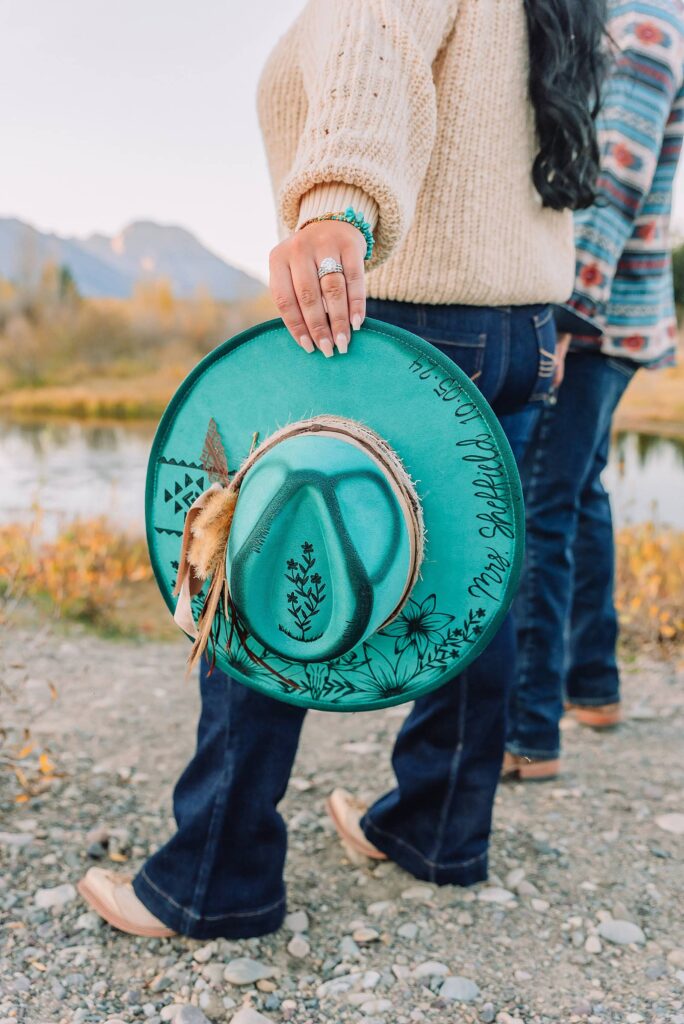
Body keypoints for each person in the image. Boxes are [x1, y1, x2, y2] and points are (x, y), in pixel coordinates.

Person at [78, 0, 606, 939]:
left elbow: (377, 46)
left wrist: (334, 208)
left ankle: (213, 879)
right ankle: (437, 832)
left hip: (400, 312)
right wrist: (554, 310)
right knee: (472, 587)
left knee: (263, 556)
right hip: (522, 323)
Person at [504, 0, 684, 781]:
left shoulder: (641, 27)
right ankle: (592, 686)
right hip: (607, 317)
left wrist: (567, 317)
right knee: (577, 495)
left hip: (592, 319)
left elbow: (612, 183)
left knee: (540, 502)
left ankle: (527, 730)